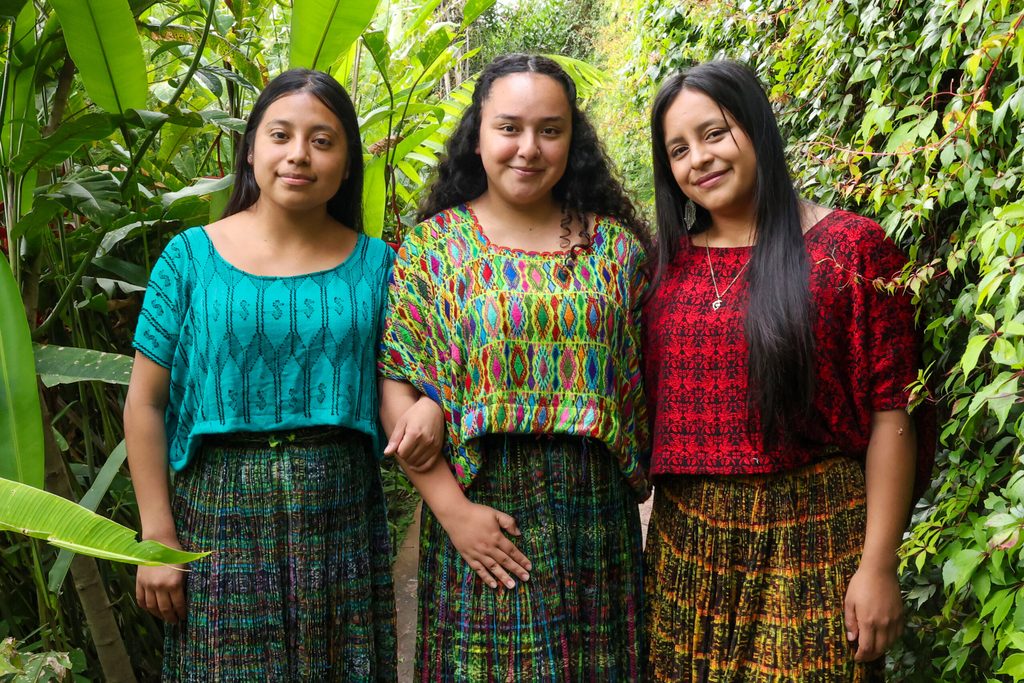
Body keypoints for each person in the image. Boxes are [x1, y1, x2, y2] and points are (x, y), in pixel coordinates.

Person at [643, 59, 933, 682]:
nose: (699, 158)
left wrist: (878, 564)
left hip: (816, 544)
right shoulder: (663, 269)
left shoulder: (851, 248)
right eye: (678, 149)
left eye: (714, 133)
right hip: (686, 550)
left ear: (757, 127)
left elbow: (893, 414)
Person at [378, 53, 652, 681]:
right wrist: (452, 513)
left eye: (549, 130)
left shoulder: (616, 248)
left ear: (571, 140)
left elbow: (644, 377)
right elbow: (397, 379)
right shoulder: (434, 247)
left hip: (595, 520)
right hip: (484, 515)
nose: (528, 148)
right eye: (509, 127)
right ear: (478, 134)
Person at [125, 69, 396, 682]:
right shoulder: (188, 259)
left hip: (341, 519)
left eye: (323, 140)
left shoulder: (378, 266)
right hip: (217, 517)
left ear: (348, 161)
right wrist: (156, 535)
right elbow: (144, 404)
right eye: (281, 135)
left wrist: (427, 409)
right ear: (252, 148)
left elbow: (398, 391)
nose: (299, 154)